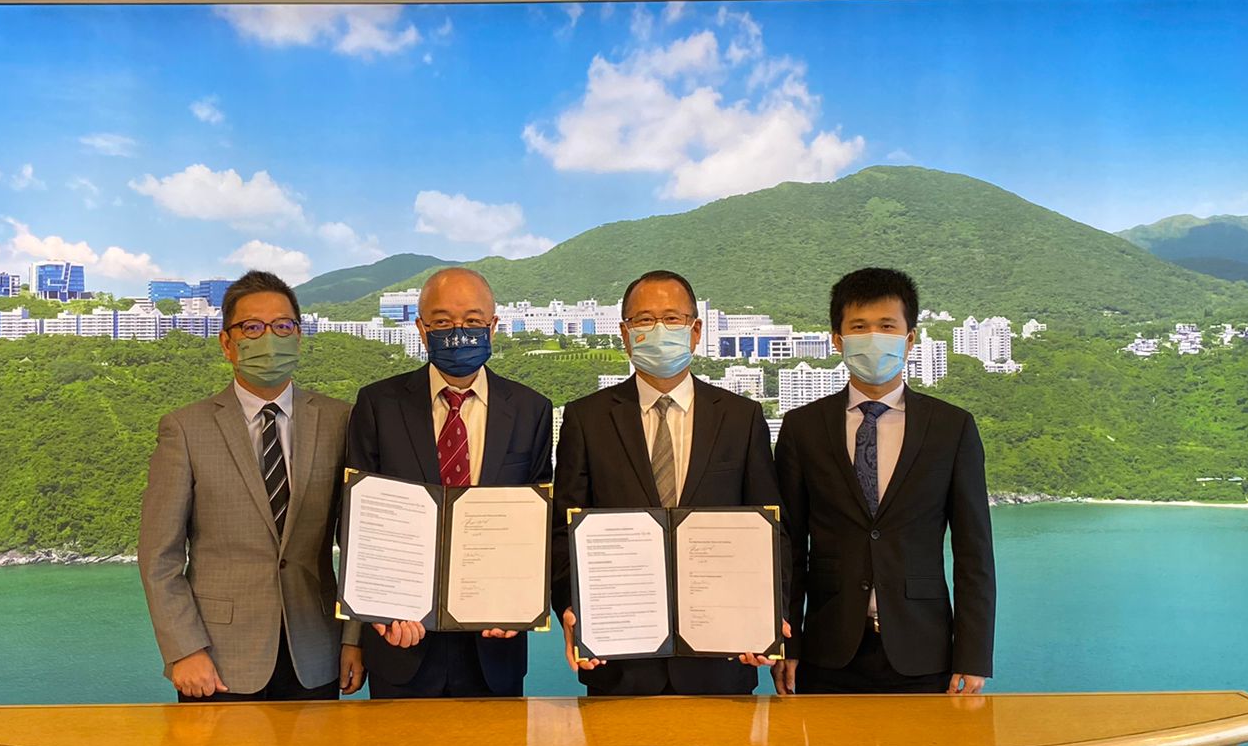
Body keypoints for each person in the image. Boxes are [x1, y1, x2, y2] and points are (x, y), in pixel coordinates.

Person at [551, 269, 782, 696]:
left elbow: (769, 529)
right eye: (644, 320)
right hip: (618, 662)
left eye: (673, 319)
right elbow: (563, 531)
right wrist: (571, 606)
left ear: (696, 332)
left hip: (722, 659)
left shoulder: (740, 418)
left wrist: (767, 614)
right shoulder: (586, 419)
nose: (660, 330)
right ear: (625, 333)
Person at [774, 266, 994, 695]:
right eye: (859, 327)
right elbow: (788, 546)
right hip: (827, 648)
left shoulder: (952, 428)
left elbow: (974, 553)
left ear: (910, 339)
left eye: (887, 326)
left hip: (925, 649)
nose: (873, 337)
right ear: (837, 340)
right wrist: (788, 644)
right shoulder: (803, 427)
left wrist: (973, 656)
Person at [342, 267, 555, 697]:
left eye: (473, 321)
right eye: (442, 322)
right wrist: (371, 616)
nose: (458, 332)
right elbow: (356, 522)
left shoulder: (532, 410)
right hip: (400, 641)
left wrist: (519, 604)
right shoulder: (377, 404)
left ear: (494, 327)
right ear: (421, 330)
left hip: (495, 647)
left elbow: (539, 527)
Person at [138, 269, 349, 702]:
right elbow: (159, 556)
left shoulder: (341, 421)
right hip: (218, 661)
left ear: (299, 336)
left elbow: (365, 546)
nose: (269, 338)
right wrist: (184, 650)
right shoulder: (186, 428)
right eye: (252, 327)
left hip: (317, 652)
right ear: (227, 342)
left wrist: (355, 640)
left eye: (282, 326)